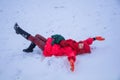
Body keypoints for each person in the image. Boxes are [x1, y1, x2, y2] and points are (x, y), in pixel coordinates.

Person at [14, 23, 105, 72]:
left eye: (81, 46)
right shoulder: (77, 44)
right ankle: (30, 49)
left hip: (50, 49)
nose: (80, 44)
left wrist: (72, 63)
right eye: (81, 44)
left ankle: (19, 31)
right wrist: (95, 38)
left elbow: (71, 56)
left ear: (80, 50)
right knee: (37, 35)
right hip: (53, 43)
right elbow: (87, 41)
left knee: (35, 39)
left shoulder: (72, 50)